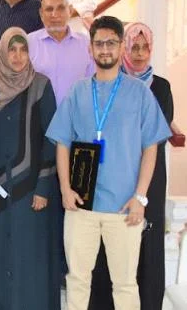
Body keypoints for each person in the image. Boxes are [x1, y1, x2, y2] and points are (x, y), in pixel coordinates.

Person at [45, 16, 171, 310]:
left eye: (111, 43)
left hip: (124, 207)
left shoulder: (140, 93)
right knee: (77, 280)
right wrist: (65, 189)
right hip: (81, 205)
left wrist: (140, 197)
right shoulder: (77, 91)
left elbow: (151, 147)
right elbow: (62, 142)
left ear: (121, 46)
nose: (105, 49)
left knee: (125, 284)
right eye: (99, 43)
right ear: (90, 49)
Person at [0, 28, 60, 310]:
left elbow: (51, 139)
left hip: (29, 190)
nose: (18, 56)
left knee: (26, 260)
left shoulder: (41, 86)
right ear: (1, 52)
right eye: (12, 50)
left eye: (23, 50)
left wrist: (44, 187)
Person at [88, 23, 175, 310]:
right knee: (110, 242)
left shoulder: (161, 87)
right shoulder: (110, 83)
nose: (139, 53)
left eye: (144, 47)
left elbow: (156, 132)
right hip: (115, 172)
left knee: (147, 243)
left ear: (151, 50)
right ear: (124, 48)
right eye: (133, 47)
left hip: (150, 176)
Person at [28, 0, 94, 104]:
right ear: (41, 14)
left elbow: (94, 85)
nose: (55, 14)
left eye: (61, 8)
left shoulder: (86, 44)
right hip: (38, 114)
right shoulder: (29, 43)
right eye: (49, 9)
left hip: (76, 114)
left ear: (70, 11)